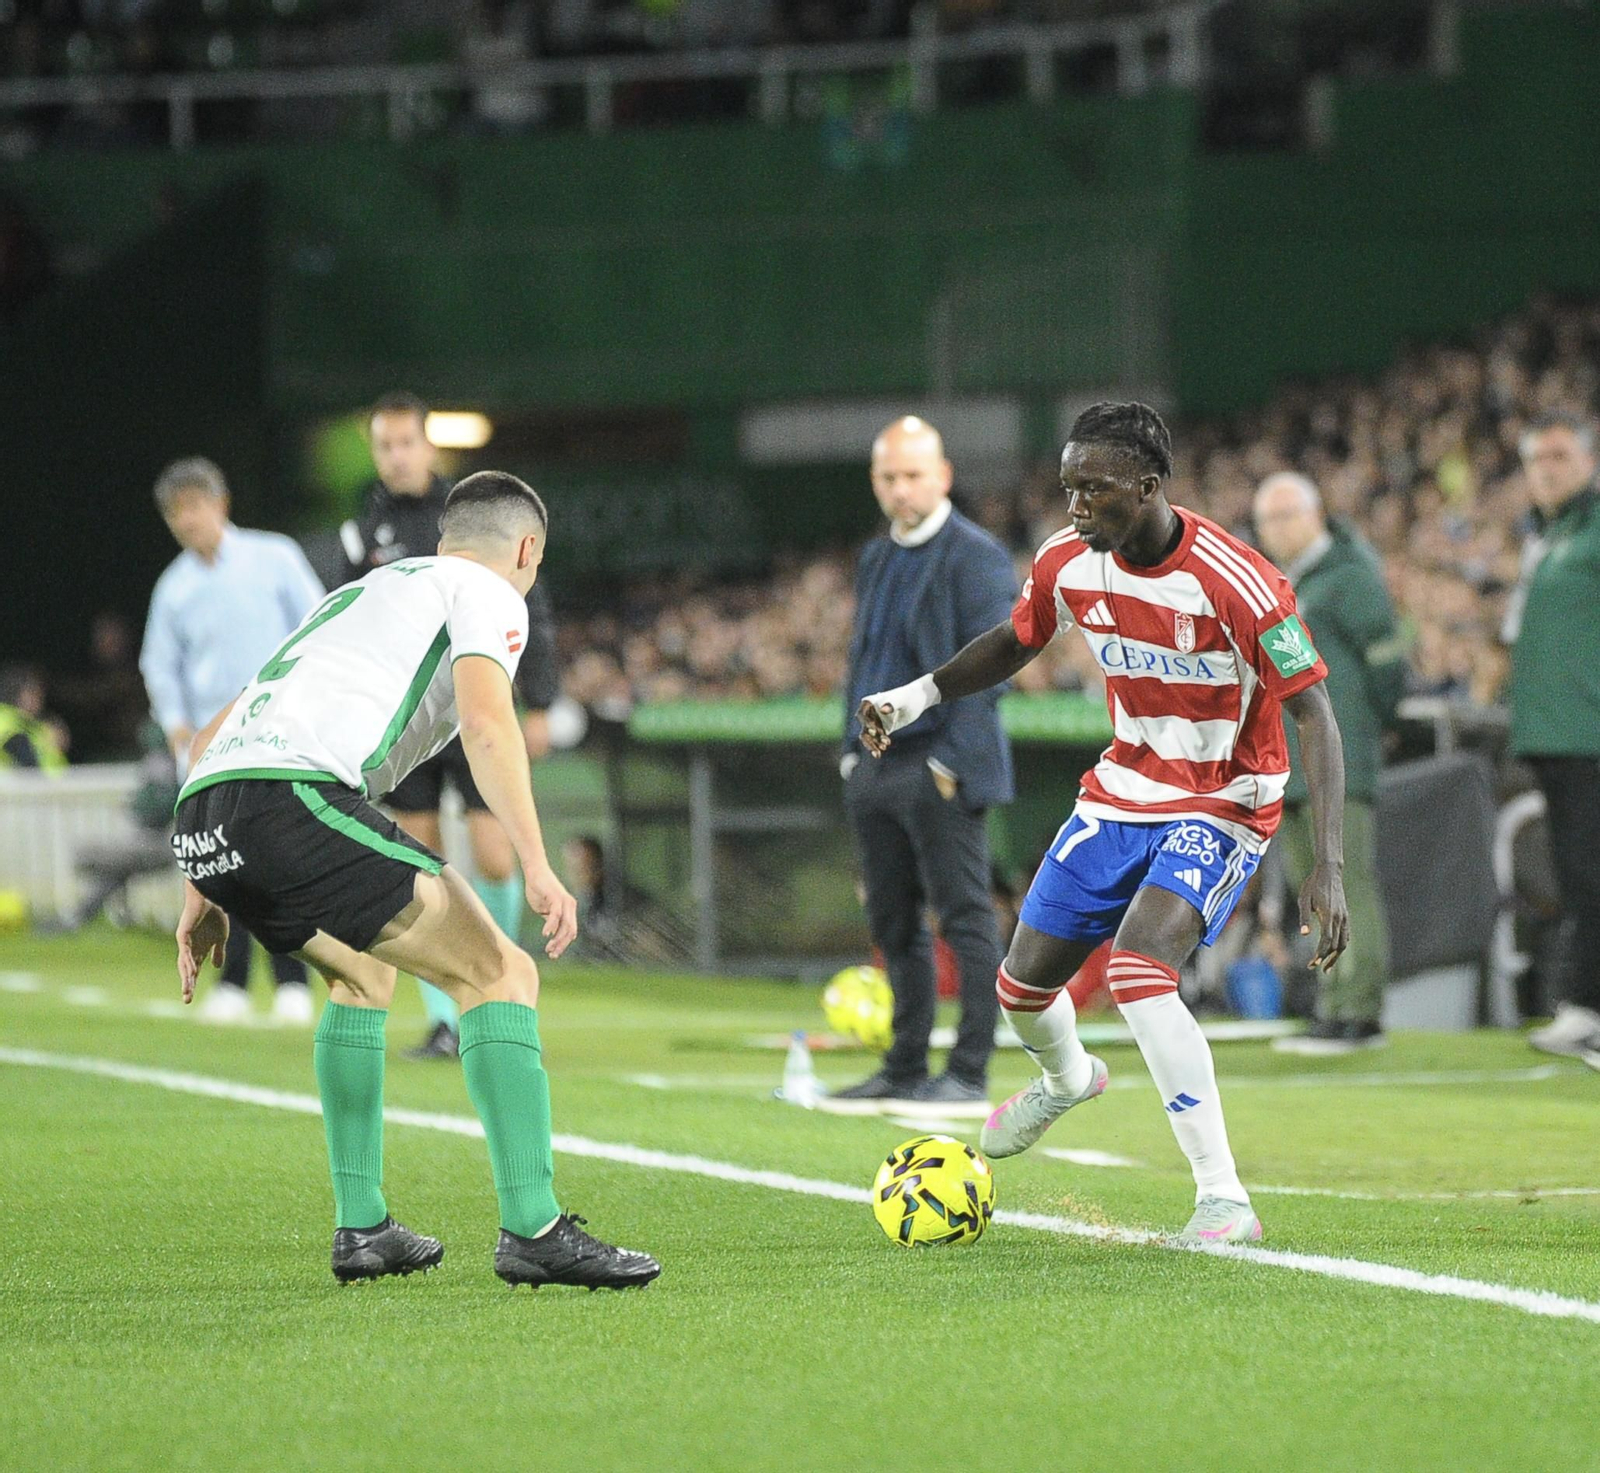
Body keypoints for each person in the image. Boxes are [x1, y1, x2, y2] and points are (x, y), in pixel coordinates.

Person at [858, 403, 1349, 1243]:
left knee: (1139, 971)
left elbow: (1317, 717)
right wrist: (919, 694)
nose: (1076, 506)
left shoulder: (1240, 580)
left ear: (1149, 487)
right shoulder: (1069, 563)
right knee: (1021, 986)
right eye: (1068, 488)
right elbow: (1018, 639)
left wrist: (1327, 860)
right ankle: (1068, 1076)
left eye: (1094, 489)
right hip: (1121, 790)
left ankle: (1222, 1196)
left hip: (1225, 799)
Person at [171, 471, 660, 1289]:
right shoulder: (489, 590)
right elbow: (486, 723)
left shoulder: (358, 594)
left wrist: (204, 887)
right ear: (528, 548)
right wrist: (538, 862)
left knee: (362, 976)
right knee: (502, 972)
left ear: (444, 533)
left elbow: (213, 735)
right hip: (291, 799)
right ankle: (534, 1229)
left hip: (206, 814)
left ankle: (363, 1228)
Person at [342, 393, 561, 1061]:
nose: (396, 455)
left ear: (427, 446)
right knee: (419, 859)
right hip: (408, 720)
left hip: (475, 704)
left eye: (406, 442)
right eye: (385, 445)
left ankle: (497, 981)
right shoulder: (364, 527)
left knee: (495, 854)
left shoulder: (471, 511)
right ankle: (446, 1014)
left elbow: (531, 600)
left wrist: (543, 700)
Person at [829, 416, 1018, 1115]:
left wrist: (948, 760)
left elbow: (995, 663)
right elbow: (860, 661)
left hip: (940, 764)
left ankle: (969, 1068)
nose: (900, 488)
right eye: (888, 476)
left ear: (942, 476)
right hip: (877, 766)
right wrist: (851, 753)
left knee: (965, 918)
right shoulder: (877, 555)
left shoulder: (977, 555)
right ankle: (904, 1063)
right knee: (892, 920)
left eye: (913, 474)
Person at [139, 457, 323, 1025]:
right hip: (213, 743)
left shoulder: (276, 557)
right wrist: (175, 723)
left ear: (221, 504)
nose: (185, 521)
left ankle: (294, 979)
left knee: (283, 855)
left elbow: (319, 624)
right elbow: (160, 665)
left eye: (193, 506)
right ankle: (234, 981)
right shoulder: (174, 588)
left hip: (278, 726)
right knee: (224, 859)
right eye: (174, 512)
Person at [1254, 473, 1403, 1053]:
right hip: (1291, 761)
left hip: (1340, 758)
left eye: (1287, 514)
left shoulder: (1352, 576)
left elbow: (1387, 670)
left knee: (1348, 879)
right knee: (1310, 886)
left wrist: (1368, 729)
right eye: (1268, 519)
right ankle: (1333, 1004)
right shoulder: (1281, 583)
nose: (1277, 528)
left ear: (1316, 514)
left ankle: (1360, 1009)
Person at [1504, 412, 1600, 1071]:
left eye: (1561, 455)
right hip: (1559, 734)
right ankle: (1584, 1005)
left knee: (1592, 872)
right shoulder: (1551, 534)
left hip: (1588, 729)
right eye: (1537, 458)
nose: (1547, 467)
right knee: (1577, 874)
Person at [0, 664, 68, 770]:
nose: (40, 699)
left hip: (54, 785)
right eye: (35, 693)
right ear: (21, 693)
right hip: (18, 786)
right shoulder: (6, 720)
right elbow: (27, 760)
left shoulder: (33, 726)